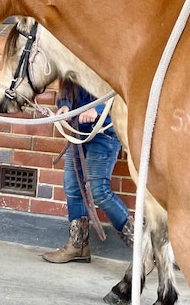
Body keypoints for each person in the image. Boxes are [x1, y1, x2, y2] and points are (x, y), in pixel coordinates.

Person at [42, 79, 134, 264]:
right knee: (72, 187)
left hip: (105, 131)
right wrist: (65, 105)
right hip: (78, 131)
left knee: (100, 192)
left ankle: (143, 247)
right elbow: (68, 81)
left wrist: (98, 110)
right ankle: (78, 246)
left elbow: (122, 88)